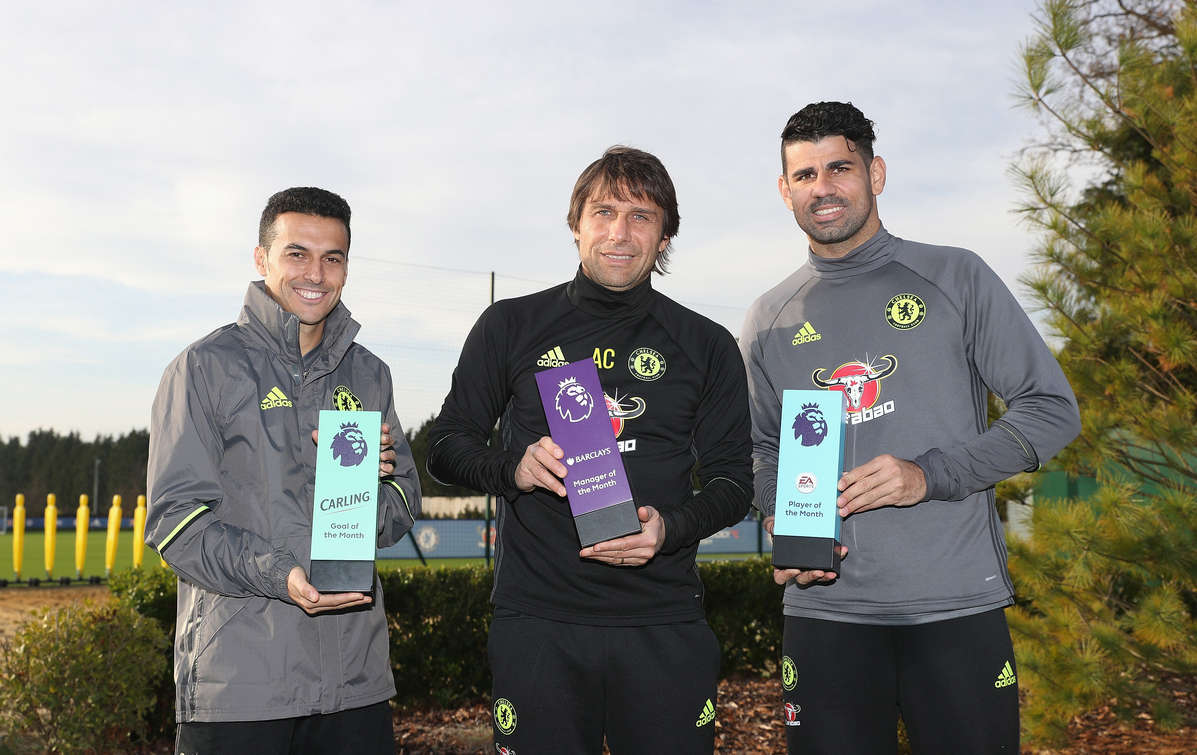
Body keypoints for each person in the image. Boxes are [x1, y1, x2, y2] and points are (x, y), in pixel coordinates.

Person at [740, 102, 1081, 755]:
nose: (824, 187)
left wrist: (929, 475)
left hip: (953, 605)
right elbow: (759, 448)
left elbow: (1050, 409)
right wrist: (782, 514)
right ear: (785, 190)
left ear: (877, 173)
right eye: (805, 174)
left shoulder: (956, 276)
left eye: (840, 167)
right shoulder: (768, 317)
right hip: (824, 613)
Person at [427, 146, 753, 755]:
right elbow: (445, 448)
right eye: (603, 213)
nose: (620, 233)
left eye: (641, 216)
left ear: (665, 237)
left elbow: (736, 481)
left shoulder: (707, 344)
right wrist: (513, 467)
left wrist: (672, 527)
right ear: (576, 224)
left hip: (663, 622)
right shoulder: (510, 326)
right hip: (539, 624)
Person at [146, 187, 421, 755]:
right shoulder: (203, 368)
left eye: (333, 257)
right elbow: (175, 523)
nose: (315, 273)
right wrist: (280, 574)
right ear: (261, 259)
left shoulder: (369, 375)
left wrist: (362, 491)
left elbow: (403, 499)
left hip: (355, 682)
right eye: (297, 253)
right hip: (240, 686)